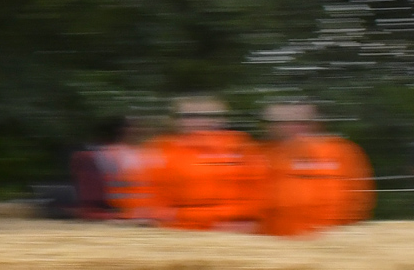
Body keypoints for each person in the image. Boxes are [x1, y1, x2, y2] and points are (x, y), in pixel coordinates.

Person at [146, 96, 266, 232]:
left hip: (233, 232)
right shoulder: (162, 150)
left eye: (207, 115)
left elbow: (257, 197)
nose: (199, 122)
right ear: (176, 121)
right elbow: (156, 204)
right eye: (188, 116)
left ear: (222, 119)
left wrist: (245, 221)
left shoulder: (242, 147)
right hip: (182, 233)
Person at [259, 102, 374, 236]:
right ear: (271, 127)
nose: (294, 128)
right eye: (284, 122)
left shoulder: (342, 152)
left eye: (302, 122)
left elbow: (360, 200)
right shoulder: (260, 154)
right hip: (277, 243)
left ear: (316, 123)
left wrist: (345, 235)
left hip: (332, 242)